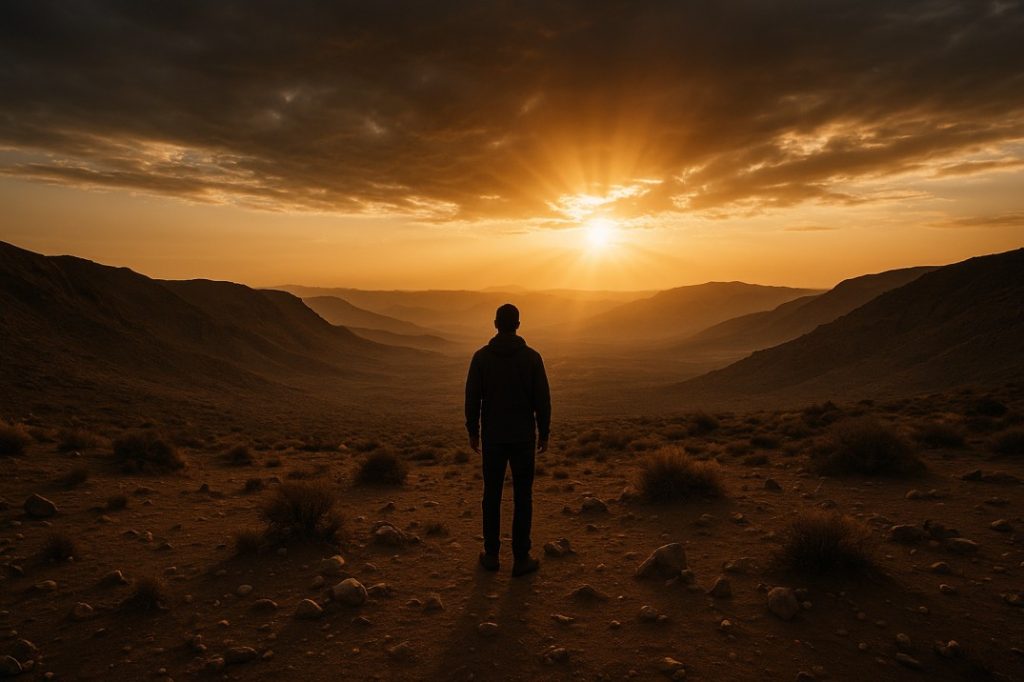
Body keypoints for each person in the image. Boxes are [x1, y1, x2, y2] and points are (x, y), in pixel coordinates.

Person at [465, 303, 551, 576]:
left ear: (495, 324)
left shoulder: (481, 358)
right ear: (518, 325)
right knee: (523, 497)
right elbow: (543, 400)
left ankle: (491, 555)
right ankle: (521, 558)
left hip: (493, 437)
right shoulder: (532, 358)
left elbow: (472, 398)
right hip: (523, 437)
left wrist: (473, 432)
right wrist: (544, 432)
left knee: (491, 495)